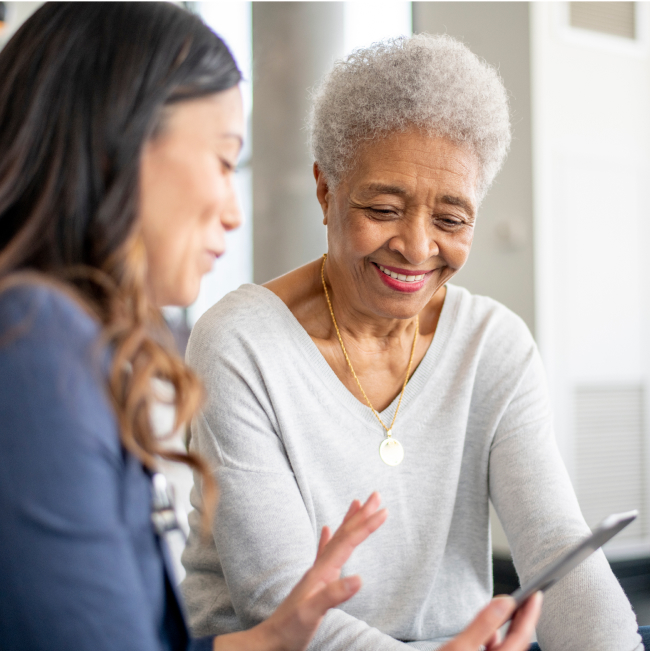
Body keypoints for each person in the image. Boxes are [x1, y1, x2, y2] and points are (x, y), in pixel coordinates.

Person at [0, 4, 542, 651]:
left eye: (450, 218)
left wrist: (272, 638)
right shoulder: (34, 344)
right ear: (115, 148)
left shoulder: (59, 340)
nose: (234, 212)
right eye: (225, 162)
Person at [180, 34, 647, 651]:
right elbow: (281, 601)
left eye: (451, 219)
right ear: (326, 190)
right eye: (382, 208)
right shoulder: (240, 343)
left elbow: (554, 544)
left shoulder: (493, 344)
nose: (418, 247)